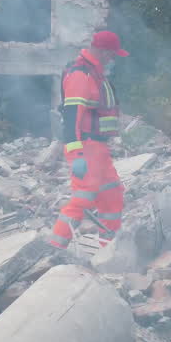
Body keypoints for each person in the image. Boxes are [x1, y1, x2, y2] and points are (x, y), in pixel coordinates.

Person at [49, 30, 128, 250]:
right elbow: (72, 116)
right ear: (103, 52)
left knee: (112, 196)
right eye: (112, 55)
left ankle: (107, 250)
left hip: (98, 149)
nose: (113, 60)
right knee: (82, 201)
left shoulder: (94, 73)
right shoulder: (81, 75)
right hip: (86, 147)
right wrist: (76, 155)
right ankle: (53, 250)